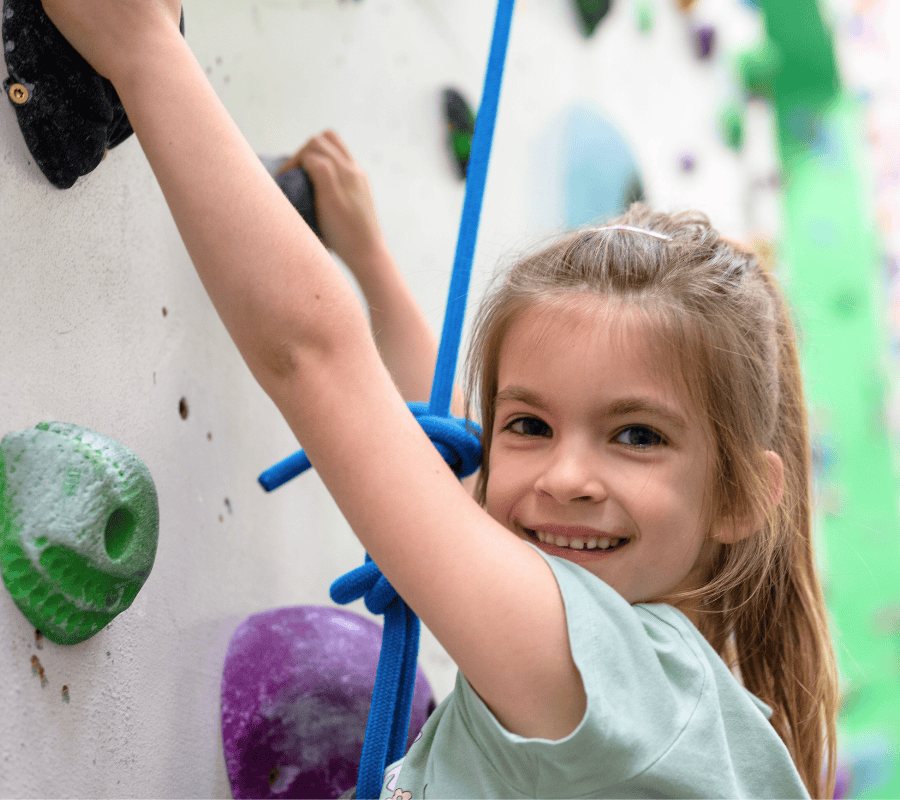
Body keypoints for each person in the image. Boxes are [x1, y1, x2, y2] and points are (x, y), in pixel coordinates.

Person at [39, 2, 838, 797]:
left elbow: (314, 361)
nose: (565, 477)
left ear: (740, 495)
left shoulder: (608, 682)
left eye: (636, 436)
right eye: (531, 424)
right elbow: (459, 452)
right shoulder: (682, 711)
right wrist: (369, 255)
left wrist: (145, 51)